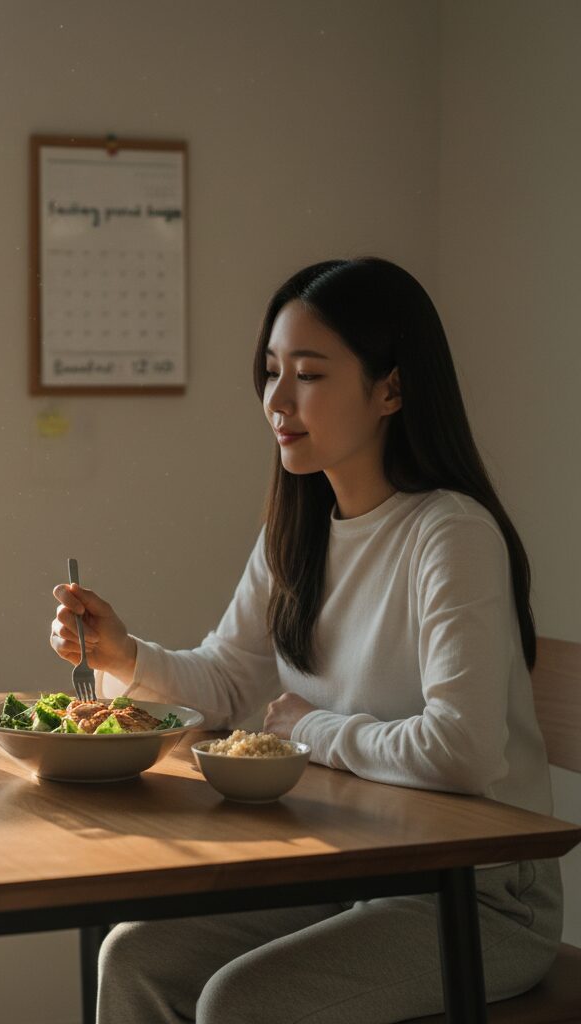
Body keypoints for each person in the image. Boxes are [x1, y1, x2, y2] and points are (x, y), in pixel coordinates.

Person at [49, 257, 562, 1024]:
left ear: (390, 389)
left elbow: (464, 750)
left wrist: (310, 730)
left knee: (240, 1004)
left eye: (310, 375)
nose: (278, 401)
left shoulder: (449, 535)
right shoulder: (297, 529)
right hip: (350, 870)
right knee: (132, 955)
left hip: (478, 901)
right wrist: (123, 653)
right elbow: (226, 682)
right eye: (270, 372)